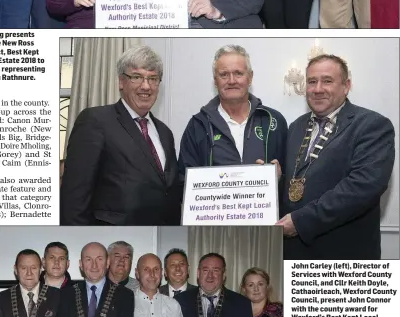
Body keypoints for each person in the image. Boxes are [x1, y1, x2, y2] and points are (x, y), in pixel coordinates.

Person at [278, 54, 395, 259]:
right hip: (294, 254)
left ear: (346, 85)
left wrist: (300, 221)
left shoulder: (372, 125)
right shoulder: (296, 126)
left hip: (344, 256)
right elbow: (296, 180)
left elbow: (362, 187)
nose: (318, 89)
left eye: (327, 81)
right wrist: (274, 178)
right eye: (312, 81)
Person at [61, 45, 181, 225]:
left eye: (153, 78)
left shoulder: (165, 132)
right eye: (137, 77)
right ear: (121, 82)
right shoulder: (95, 121)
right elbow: (74, 197)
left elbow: (169, 189)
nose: (146, 86)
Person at [179, 45, 287, 179]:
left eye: (238, 73)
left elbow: (290, 177)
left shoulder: (273, 121)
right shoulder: (197, 126)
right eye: (224, 74)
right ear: (215, 81)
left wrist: (280, 179)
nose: (231, 81)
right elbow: (184, 181)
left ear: (250, 77)